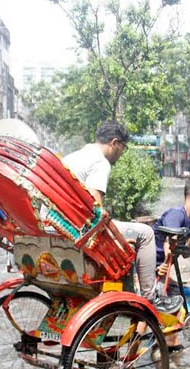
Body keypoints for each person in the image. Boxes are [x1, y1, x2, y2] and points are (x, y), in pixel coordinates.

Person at [61, 121, 157, 300]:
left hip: (63, 225)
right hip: (81, 230)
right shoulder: (100, 162)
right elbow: (95, 211)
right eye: (123, 148)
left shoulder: (71, 157)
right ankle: (150, 298)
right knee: (146, 233)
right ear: (114, 143)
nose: (121, 154)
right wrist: (116, 241)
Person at [152, 177, 190, 349]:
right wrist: (162, 268)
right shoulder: (176, 214)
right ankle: (163, 341)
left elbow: (185, 254)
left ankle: (169, 341)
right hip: (154, 268)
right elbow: (169, 245)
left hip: (163, 269)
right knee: (173, 302)